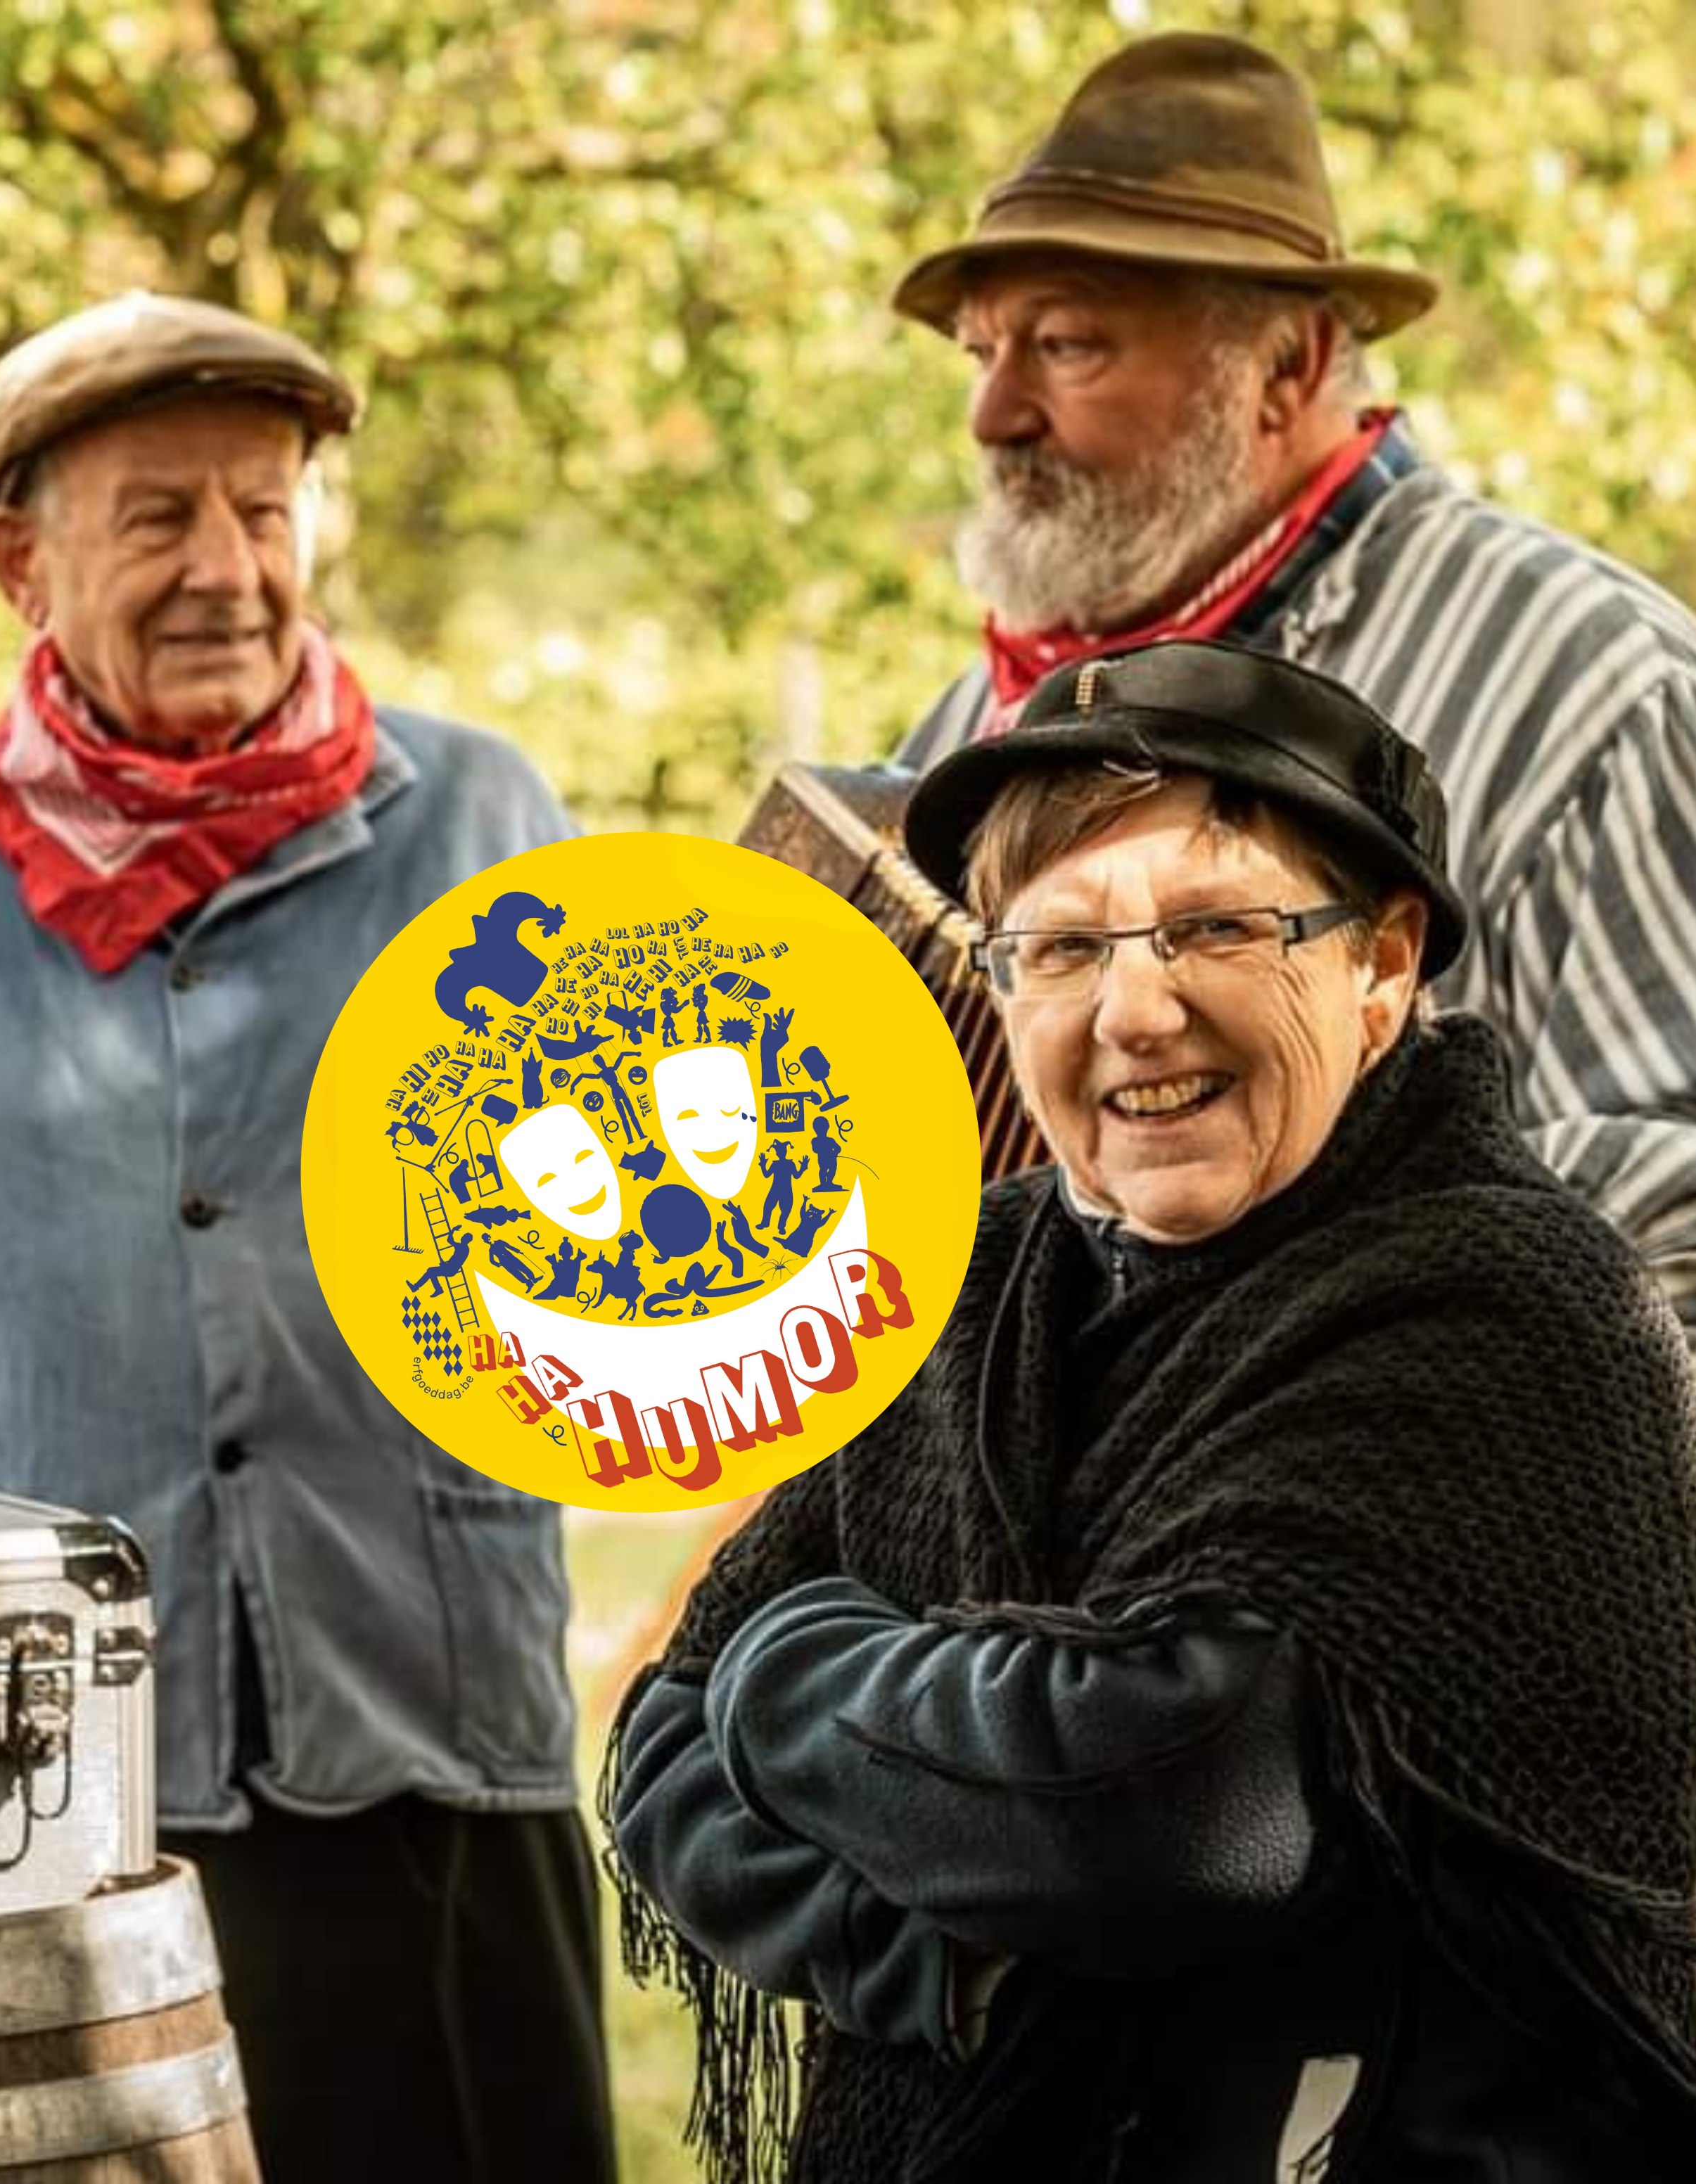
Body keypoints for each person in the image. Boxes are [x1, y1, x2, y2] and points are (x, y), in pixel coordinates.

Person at [610, 640, 1696, 2183]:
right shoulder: (969, 1277)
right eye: (1059, 947)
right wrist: (956, 1967)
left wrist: (785, 1664)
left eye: (1216, 927)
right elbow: (661, 1747)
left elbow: (1175, 1812)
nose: (1133, 1011)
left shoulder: (1502, 1303)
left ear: (1382, 965)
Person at [0, 292, 614, 2184]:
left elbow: (621, 1240)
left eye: (265, 507)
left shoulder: (482, 817)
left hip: (420, 1718)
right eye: (159, 517)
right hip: (26, 1773)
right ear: (20, 560)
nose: (228, 567)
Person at [888, 30, 1696, 1337]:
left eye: (1069, 345)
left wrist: (1271, 1394)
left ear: (1287, 369)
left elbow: (1670, 1237)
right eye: (984, 354)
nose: (996, 416)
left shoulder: (1592, 684)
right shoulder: (985, 723)